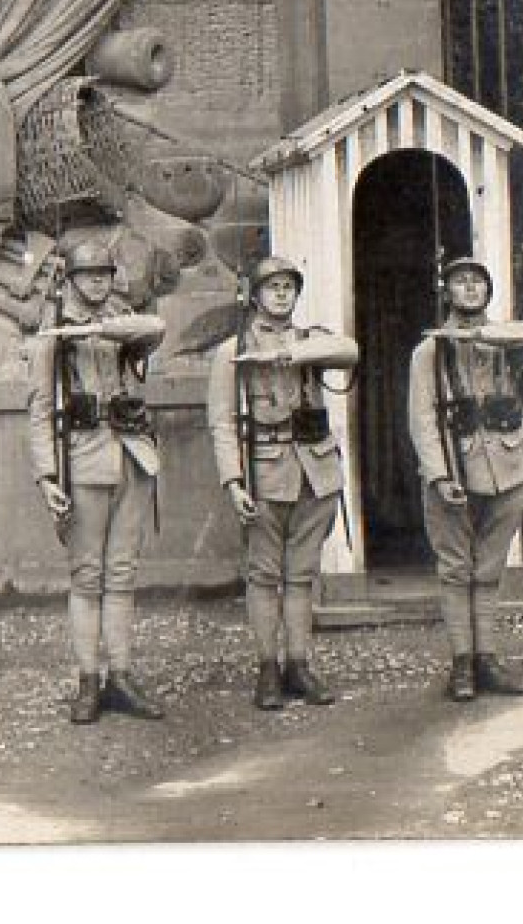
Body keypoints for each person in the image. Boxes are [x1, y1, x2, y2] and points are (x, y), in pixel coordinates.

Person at [206, 257, 359, 711]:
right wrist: (233, 480)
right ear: (255, 295)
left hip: (315, 470)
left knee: (301, 575)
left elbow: (349, 351)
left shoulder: (313, 341)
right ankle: (267, 667)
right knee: (263, 574)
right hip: (264, 472)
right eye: (271, 287)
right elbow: (221, 423)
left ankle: (299, 663)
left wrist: (293, 352)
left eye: (289, 286)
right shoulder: (230, 351)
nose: (281, 294)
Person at [27, 241, 168, 724]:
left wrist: (99, 325)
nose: (97, 282)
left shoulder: (123, 321)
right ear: (69, 281)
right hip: (82, 460)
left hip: (131, 455)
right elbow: (41, 410)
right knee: (87, 576)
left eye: (104, 274)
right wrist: (47, 475)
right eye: (87, 275)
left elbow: (155, 328)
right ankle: (89, 679)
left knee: (123, 573)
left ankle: (122, 675)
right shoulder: (53, 335)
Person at [408, 256, 523, 701]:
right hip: (456, 467)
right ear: (446, 292)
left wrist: (485, 334)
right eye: (459, 282)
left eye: (477, 282)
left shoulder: (506, 339)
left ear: (489, 291)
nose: (469, 289)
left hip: (510, 469)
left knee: (489, 570)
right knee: (456, 571)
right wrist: (438, 474)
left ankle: (488, 660)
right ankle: (463, 665)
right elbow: (422, 420)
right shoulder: (429, 351)